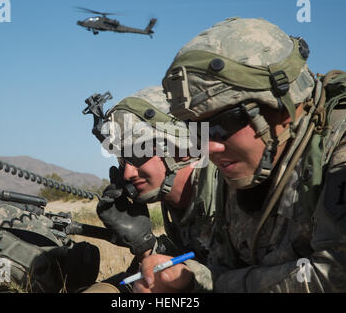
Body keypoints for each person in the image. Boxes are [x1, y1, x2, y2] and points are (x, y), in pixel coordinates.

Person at [135, 17, 346, 292]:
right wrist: (188, 281)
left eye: (224, 125)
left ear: (283, 106)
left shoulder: (336, 150)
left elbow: (332, 277)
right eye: (196, 131)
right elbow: (227, 265)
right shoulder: (240, 171)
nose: (208, 147)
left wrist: (214, 285)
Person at [94, 86, 219, 291]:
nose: (127, 173)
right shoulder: (173, 201)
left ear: (181, 147)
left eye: (137, 156)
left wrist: (189, 278)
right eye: (123, 160)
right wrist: (145, 247)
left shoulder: (229, 193)